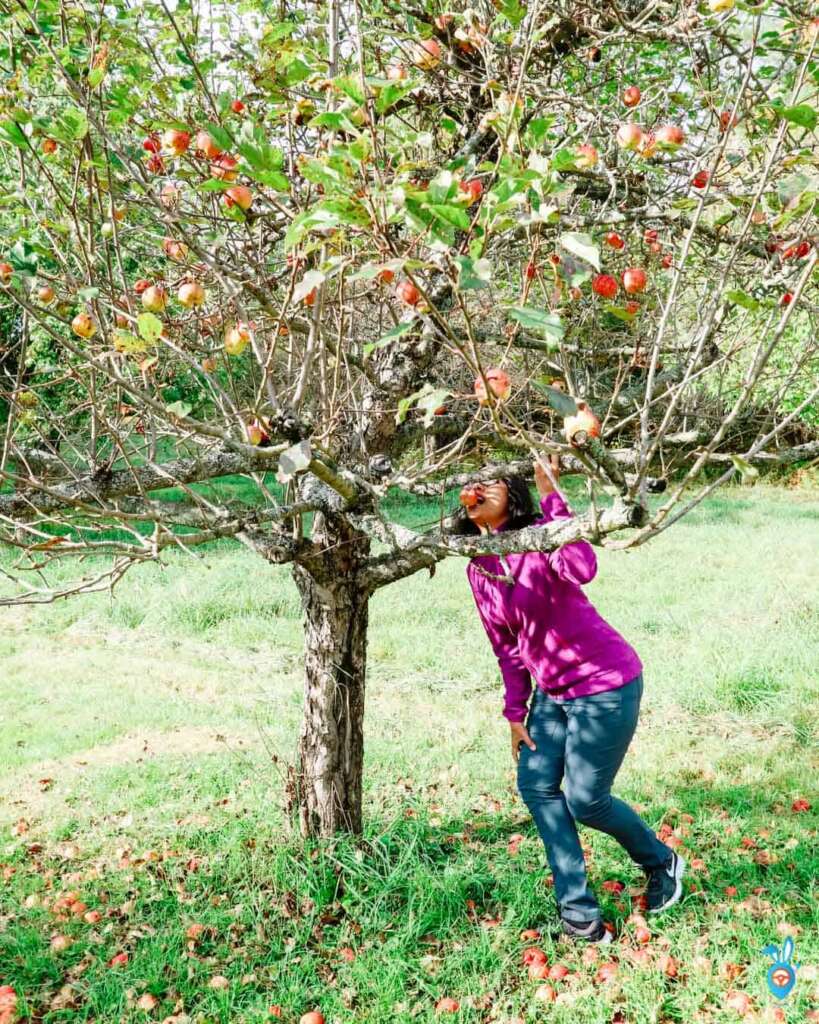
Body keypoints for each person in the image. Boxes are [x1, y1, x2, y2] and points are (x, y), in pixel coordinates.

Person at [453, 455, 685, 944]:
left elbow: (583, 566)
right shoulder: (479, 566)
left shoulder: (542, 533)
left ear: (512, 493)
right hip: (552, 696)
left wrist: (553, 494)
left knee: (585, 799)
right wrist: (515, 713)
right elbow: (506, 646)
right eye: (468, 481)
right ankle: (579, 914)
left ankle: (661, 860)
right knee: (536, 785)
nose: (475, 488)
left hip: (604, 683)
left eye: (488, 480)